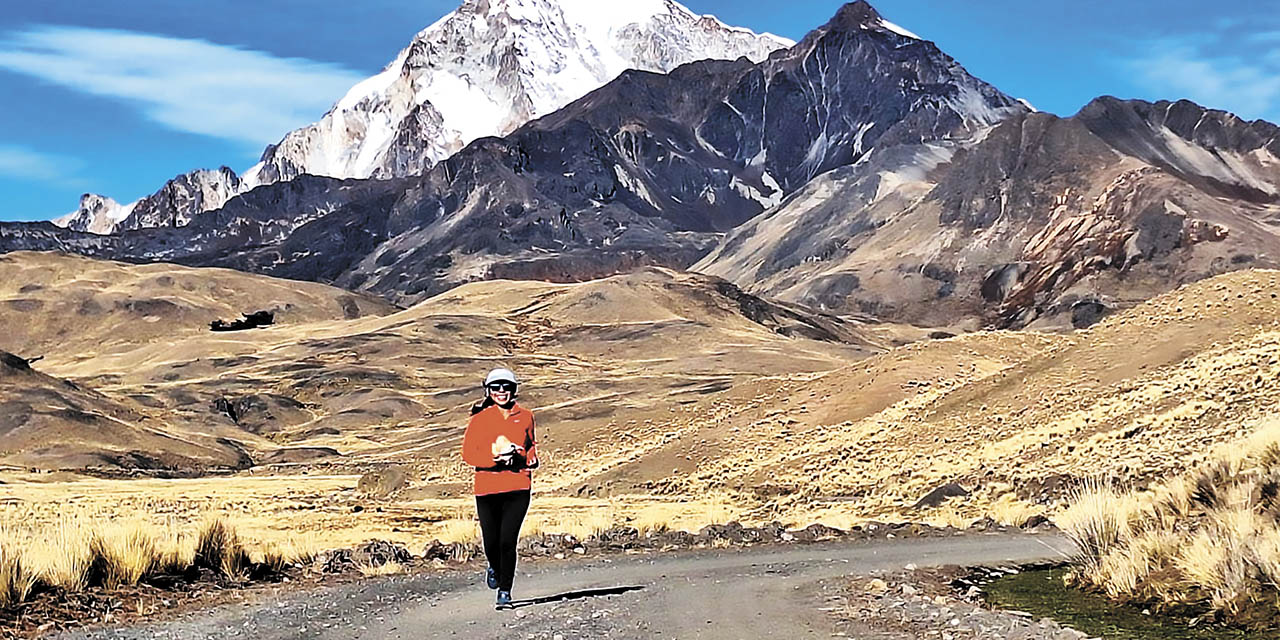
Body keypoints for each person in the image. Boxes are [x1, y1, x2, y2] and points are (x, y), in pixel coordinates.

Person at [461, 367, 539, 609]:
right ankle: (494, 567)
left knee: (508, 541)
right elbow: (468, 454)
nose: (501, 391)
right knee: (491, 542)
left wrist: (528, 457)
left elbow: (531, 445)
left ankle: (505, 591)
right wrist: (494, 458)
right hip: (487, 488)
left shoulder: (526, 416)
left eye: (506, 387)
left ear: (513, 390)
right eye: (496, 387)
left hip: (517, 486)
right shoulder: (479, 419)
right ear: (488, 390)